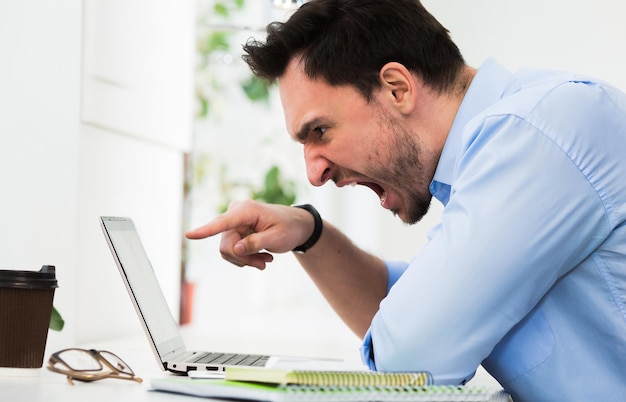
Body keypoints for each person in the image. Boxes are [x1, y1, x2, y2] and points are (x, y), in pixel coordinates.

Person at [186, 1, 626, 401]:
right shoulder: (504, 150)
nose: (314, 174)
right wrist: (309, 231)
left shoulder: (537, 133)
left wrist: (408, 339)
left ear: (397, 88)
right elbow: (400, 310)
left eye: (319, 131)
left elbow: (409, 361)